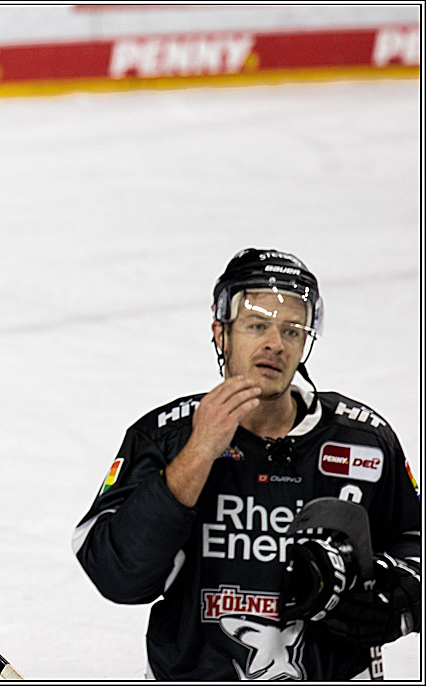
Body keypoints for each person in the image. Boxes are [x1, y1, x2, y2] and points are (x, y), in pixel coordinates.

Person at [72, 248, 420, 680]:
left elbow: (413, 543)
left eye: (292, 330)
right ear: (221, 334)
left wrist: (401, 591)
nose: (276, 342)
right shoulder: (165, 437)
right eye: (258, 326)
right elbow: (116, 576)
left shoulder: (364, 441)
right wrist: (200, 450)